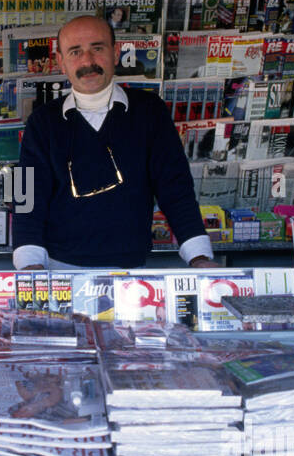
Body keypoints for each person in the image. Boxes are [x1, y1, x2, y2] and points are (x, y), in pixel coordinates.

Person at [13, 15, 217, 270]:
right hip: (58, 270)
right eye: (75, 52)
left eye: (97, 49)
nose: (87, 61)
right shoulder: (41, 122)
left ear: (115, 52)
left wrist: (200, 257)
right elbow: (26, 198)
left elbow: (176, 189)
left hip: (131, 271)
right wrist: (29, 267)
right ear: (60, 62)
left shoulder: (150, 112)